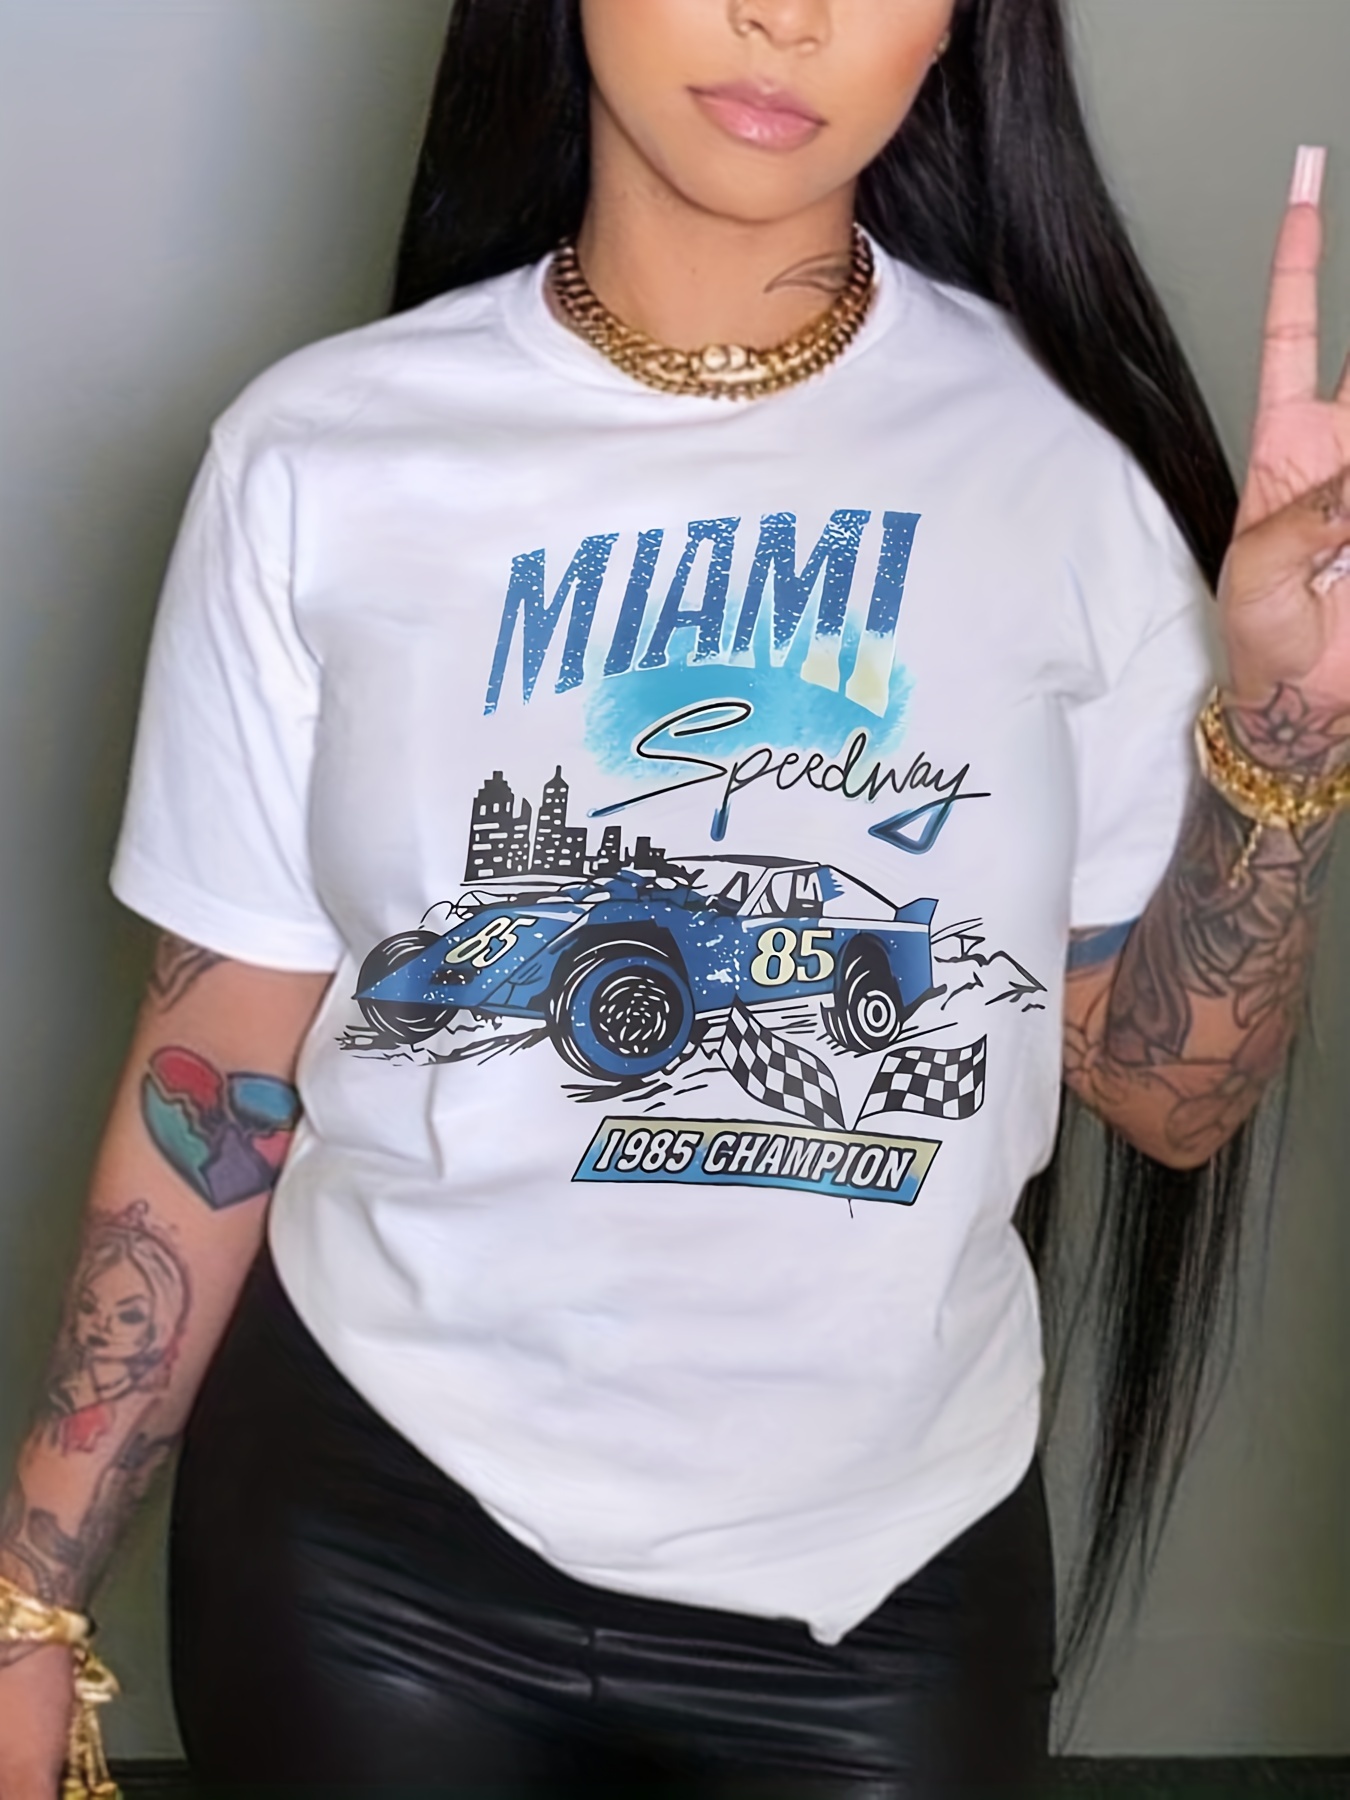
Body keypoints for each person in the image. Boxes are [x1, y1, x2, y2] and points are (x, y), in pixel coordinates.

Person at [2, 0, 1347, 1794]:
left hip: (888, 1569)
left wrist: (1283, 735)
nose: (786, 16)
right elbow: (222, 1078)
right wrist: (32, 1592)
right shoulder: (319, 455)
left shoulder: (1062, 474)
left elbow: (1169, 1099)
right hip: (369, 1536)